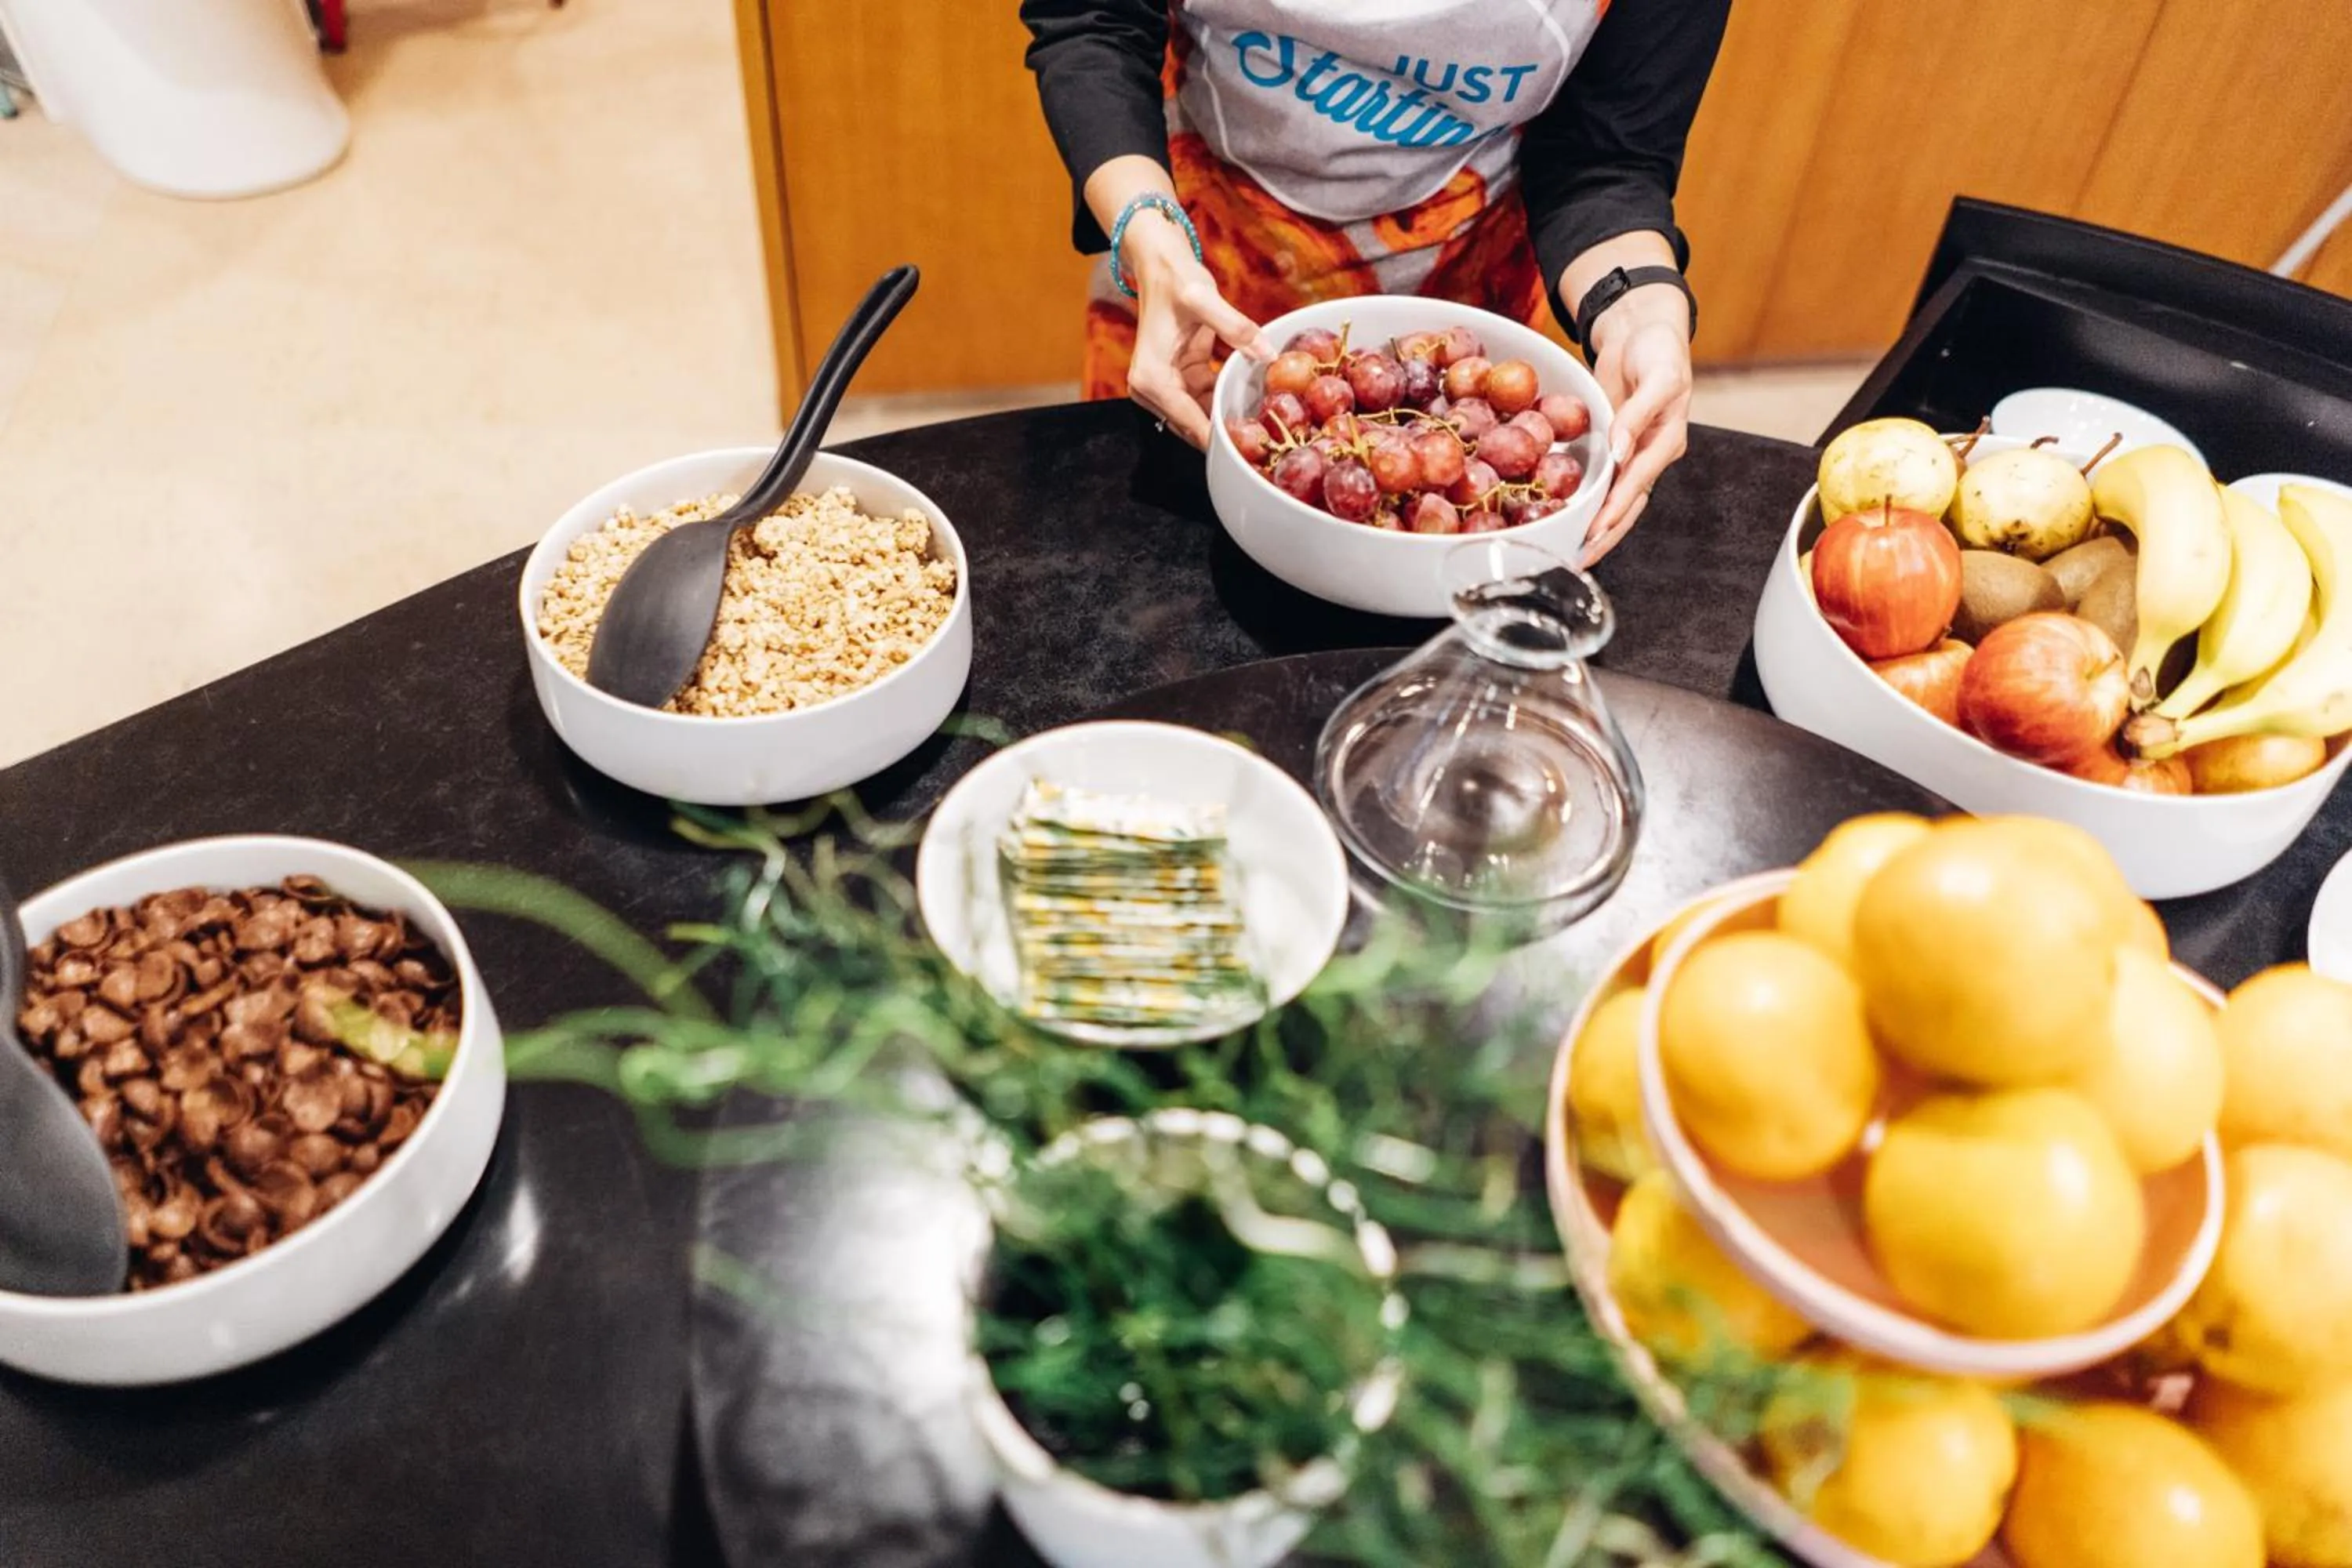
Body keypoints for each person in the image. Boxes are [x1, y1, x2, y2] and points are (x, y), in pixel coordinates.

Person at [1022, 0, 1730, 564]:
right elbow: (1096, 21)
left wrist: (1639, 312)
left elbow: (1605, 160)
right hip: (1198, 277)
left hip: (1460, 305)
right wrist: (1148, 231)